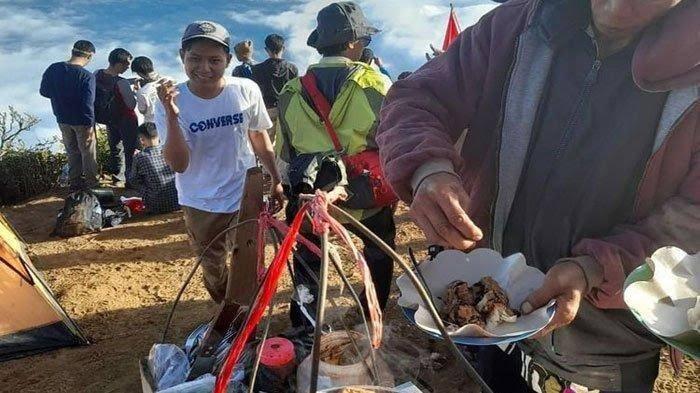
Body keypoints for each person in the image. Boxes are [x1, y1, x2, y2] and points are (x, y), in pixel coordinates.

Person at [377, 0, 699, 392]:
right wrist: (428, 170)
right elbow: (417, 98)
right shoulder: (516, 27)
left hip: (604, 353)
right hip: (494, 320)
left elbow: (691, 221)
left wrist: (594, 268)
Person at [276, 1, 395, 330]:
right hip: (363, 194)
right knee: (378, 251)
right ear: (353, 43)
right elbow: (391, 138)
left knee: (308, 260)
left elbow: (285, 154)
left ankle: (304, 326)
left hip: (312, 198)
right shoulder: (375, 84)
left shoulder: (290, 92)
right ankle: (372, 317)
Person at [156, 21, 284, 305]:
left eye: (215, 60)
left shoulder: (245, 89)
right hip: (200, 200)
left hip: (244, 192)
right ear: (182, 57)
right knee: (213, 268)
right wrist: (172, 115)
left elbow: (258, 135)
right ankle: (227, 310)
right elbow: (179, 164)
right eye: (195, 59)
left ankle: (248, 310)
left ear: (228, 59)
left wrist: (275, 179)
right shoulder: (171, 100)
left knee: (250, 258)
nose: (205, 68)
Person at [40, 40, 98, 191]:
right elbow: (88, 103)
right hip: (82, 120)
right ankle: (92, 185)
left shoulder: (54, 68)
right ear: (89, 56)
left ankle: (75, 183)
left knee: (72, 151)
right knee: (88, 153)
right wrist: (90, 125)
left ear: (73, 51)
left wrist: (59, 97)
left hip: (62, 117)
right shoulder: (87, 76)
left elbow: (44, 91)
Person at [95, 48, 138, 187]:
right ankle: (130, 179)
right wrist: (135, 93)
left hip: (108, 118)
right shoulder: (122, 82)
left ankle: (117, 176)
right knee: (130, 149)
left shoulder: (97, 74)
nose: (128, 67)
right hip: (127, 119)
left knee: (115, 148)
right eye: (127, 64)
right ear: (119, 63)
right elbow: (131, 104)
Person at [251, 33, 298, 144]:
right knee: (286, 144)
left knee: (267, 143)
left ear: (266, 49)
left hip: (266, 109)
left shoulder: (257, 69)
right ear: (283, 48)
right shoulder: (292, 68)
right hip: (286, 110)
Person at [127, 123, 178, 214]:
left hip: (156, 206)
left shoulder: (139, 157)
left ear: (141, 139)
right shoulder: (169, 149)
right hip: (177, 201)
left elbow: (133, 180)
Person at [131, 56, 168, 125]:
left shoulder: (142, 92)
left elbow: (142, 111)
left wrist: (138, 92)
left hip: (152, 125)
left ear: (139, 73)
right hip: (171, 120)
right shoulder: (169, 80)